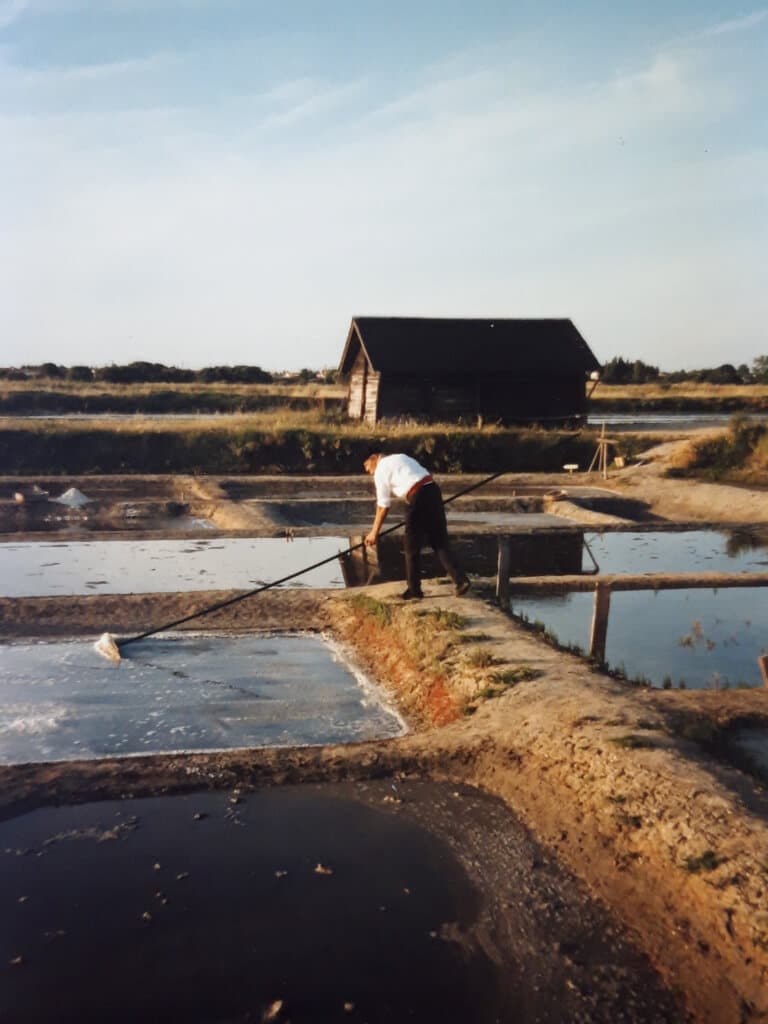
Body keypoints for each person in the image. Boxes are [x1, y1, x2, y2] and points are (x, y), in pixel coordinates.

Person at [363, 451, 470, 601]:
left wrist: (374, 532)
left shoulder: (380, 470)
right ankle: (461, 580)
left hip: (417, 495)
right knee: (439, 540)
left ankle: (414, 590)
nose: (370, 473)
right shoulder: (399, 457)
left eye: (368, 469)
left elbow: (383, 505)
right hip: (432, 489)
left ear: (373, 460)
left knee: (411, 546)